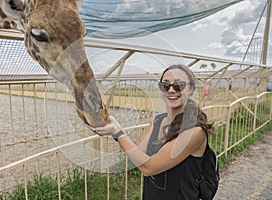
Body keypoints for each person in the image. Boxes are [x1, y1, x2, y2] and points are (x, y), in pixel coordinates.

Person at [86, 64, 215, 199]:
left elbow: (149, 168)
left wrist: (118, 133)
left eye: (178, 85)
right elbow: (138, 154)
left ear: (191, 89)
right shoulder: (157, 121)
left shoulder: (195, 131)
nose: (171, 90)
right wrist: (114, 128)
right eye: (165, 85)